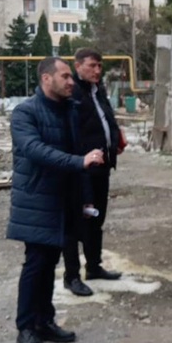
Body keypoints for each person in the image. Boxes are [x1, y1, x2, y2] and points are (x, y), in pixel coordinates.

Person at [7, 57, 106, 343]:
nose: (71, 81)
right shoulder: (25, 113)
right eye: (65, 76)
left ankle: (44, 321)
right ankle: (26, 328)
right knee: (36, 263)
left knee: (50, 262)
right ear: (46, 79)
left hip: (65, 199)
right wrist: (79, 162)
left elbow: (78, 154)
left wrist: (85, 196)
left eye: (70, 77)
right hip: (37, 199)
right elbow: (35, 150)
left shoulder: (69, 110)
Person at [61, 48, 126, 297]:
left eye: (100, 66)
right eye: (92, 65)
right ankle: (72, 276)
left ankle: (94, 267)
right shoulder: (73, 93)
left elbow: (105, 119)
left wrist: (115, 139)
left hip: (101, 167)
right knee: (76, 222)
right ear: (78, 66)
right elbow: (72, 131)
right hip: (80, 170)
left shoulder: (97, 90)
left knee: (96, 219)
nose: (97, 70)